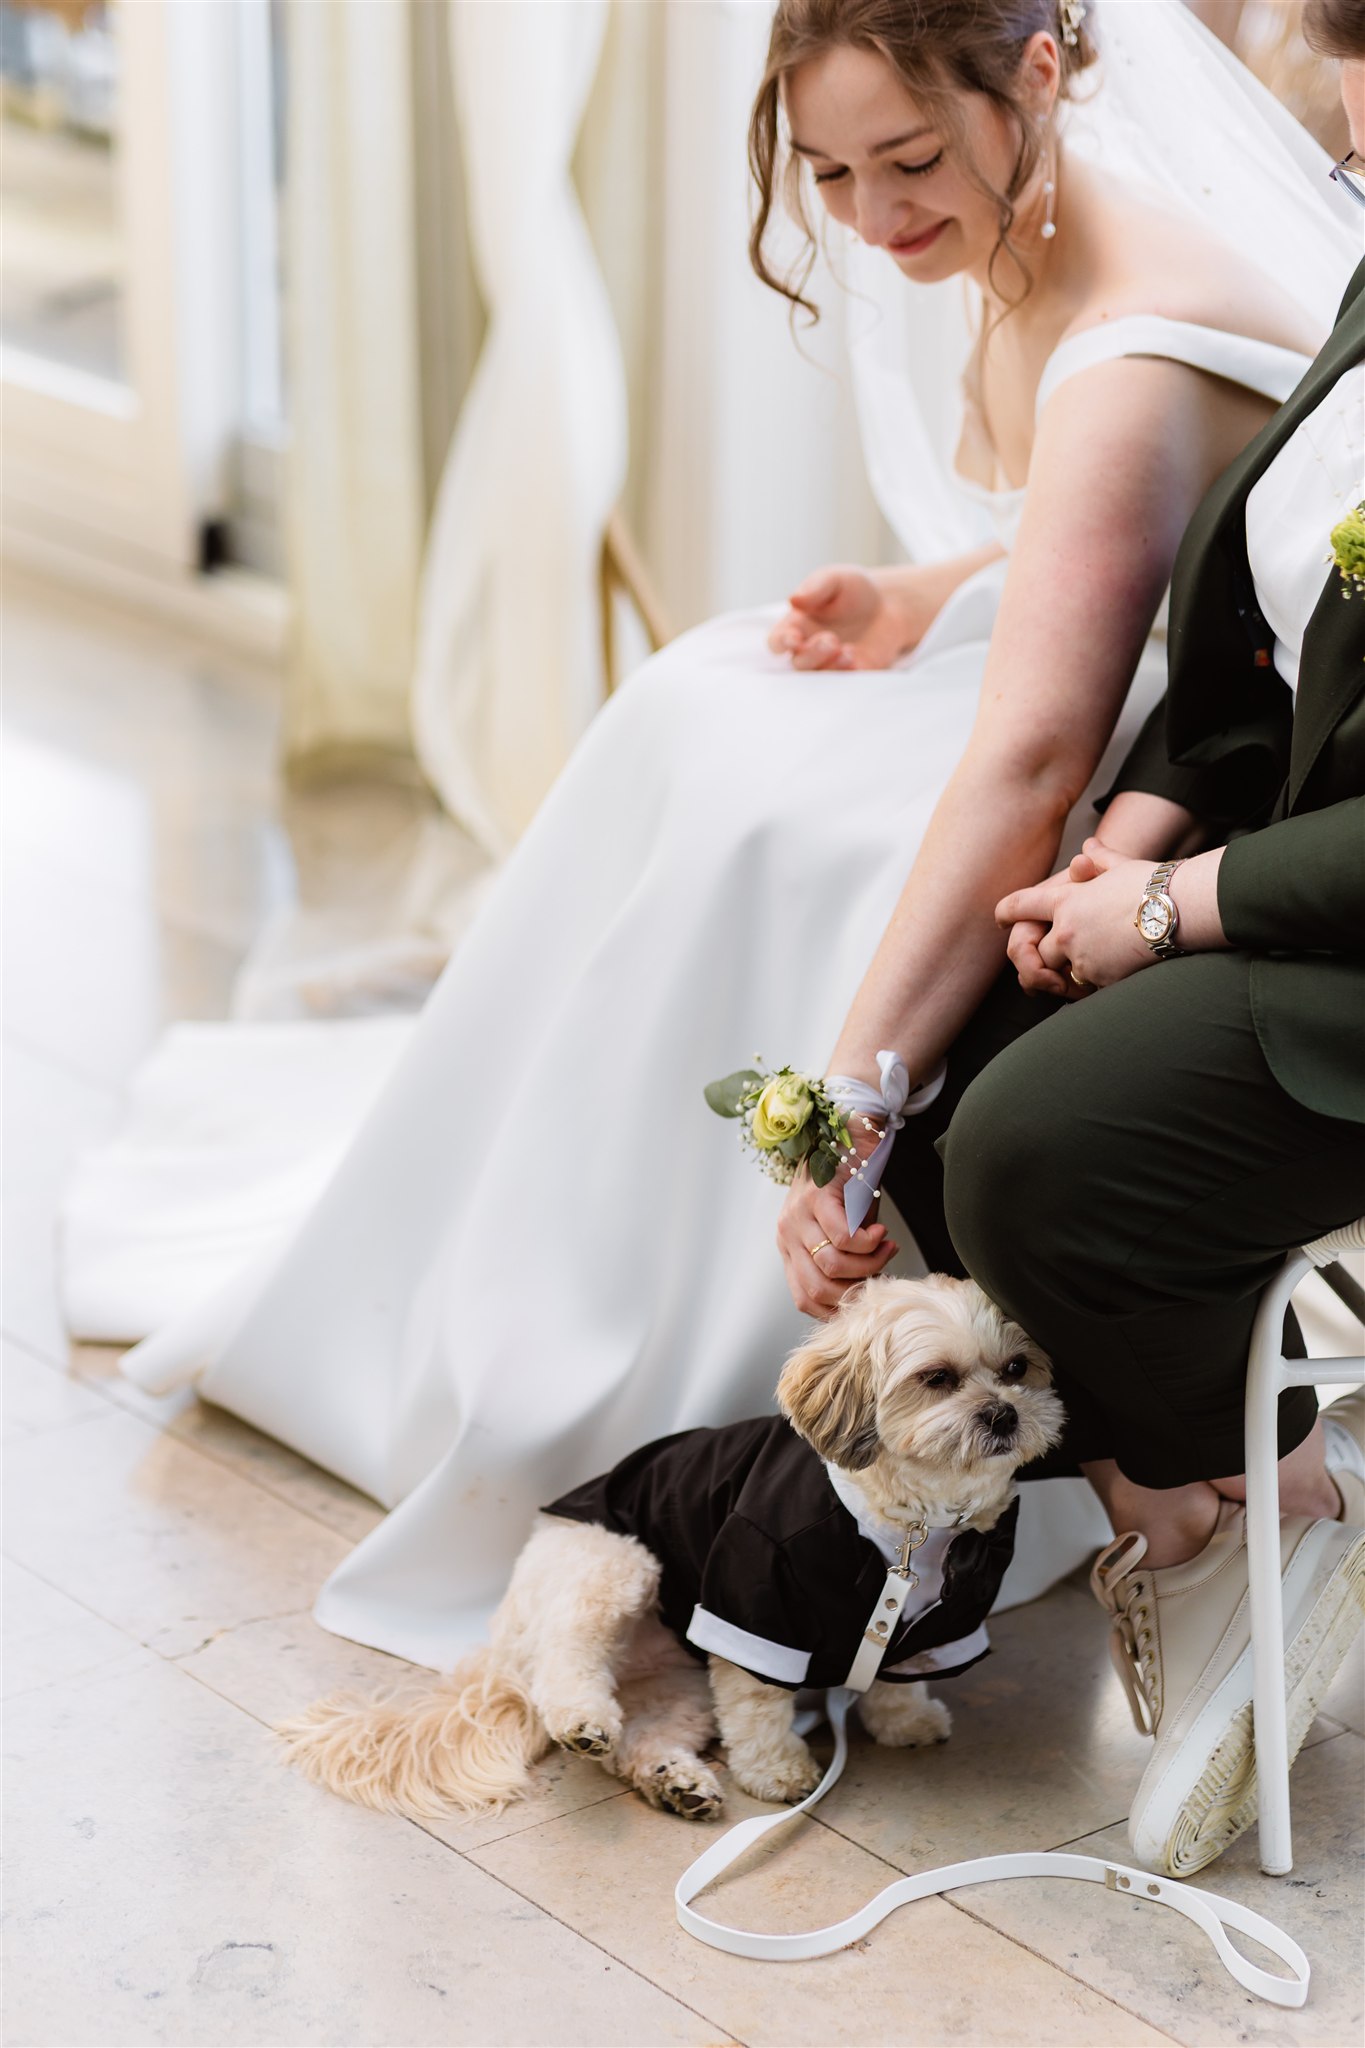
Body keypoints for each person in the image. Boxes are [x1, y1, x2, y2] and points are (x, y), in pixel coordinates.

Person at [60, 0, 1349, 1672]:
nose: (875, 215)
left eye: (905, 160)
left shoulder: (1124, 322)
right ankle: (531, 1244)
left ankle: (820, 1362)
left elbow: (1032, 756)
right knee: (696, 703)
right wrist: (921, 588)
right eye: (825, 171)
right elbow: (1127, 536)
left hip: (1162, 763)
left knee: (782, 838)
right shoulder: (1041, 221)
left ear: (1037, 76)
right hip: (1108, 680)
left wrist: (845, 1098)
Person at [791, 0, 1365, 1880]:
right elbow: (1254, 638)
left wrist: (1171, 900)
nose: (1342, 155)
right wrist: (1131, 833)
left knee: (1038, 1154)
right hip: (1288, 856)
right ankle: (1197, 1541)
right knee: (956, 1115)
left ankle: (1293, 1513)